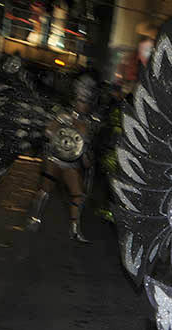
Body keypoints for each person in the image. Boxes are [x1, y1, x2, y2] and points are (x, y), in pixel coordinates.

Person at [25, 71, 99, 243]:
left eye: (86, 102)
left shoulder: (89, 122)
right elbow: (49, 131)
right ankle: (35, 217)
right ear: (75, 99)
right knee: (45, 189)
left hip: (72, 164)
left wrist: (87, 157)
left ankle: (74, 229)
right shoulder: (63, 114)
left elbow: (85, 147)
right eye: (81, 100)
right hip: (55, 159)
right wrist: (58, 127)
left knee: (78, 194)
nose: (83, 105)